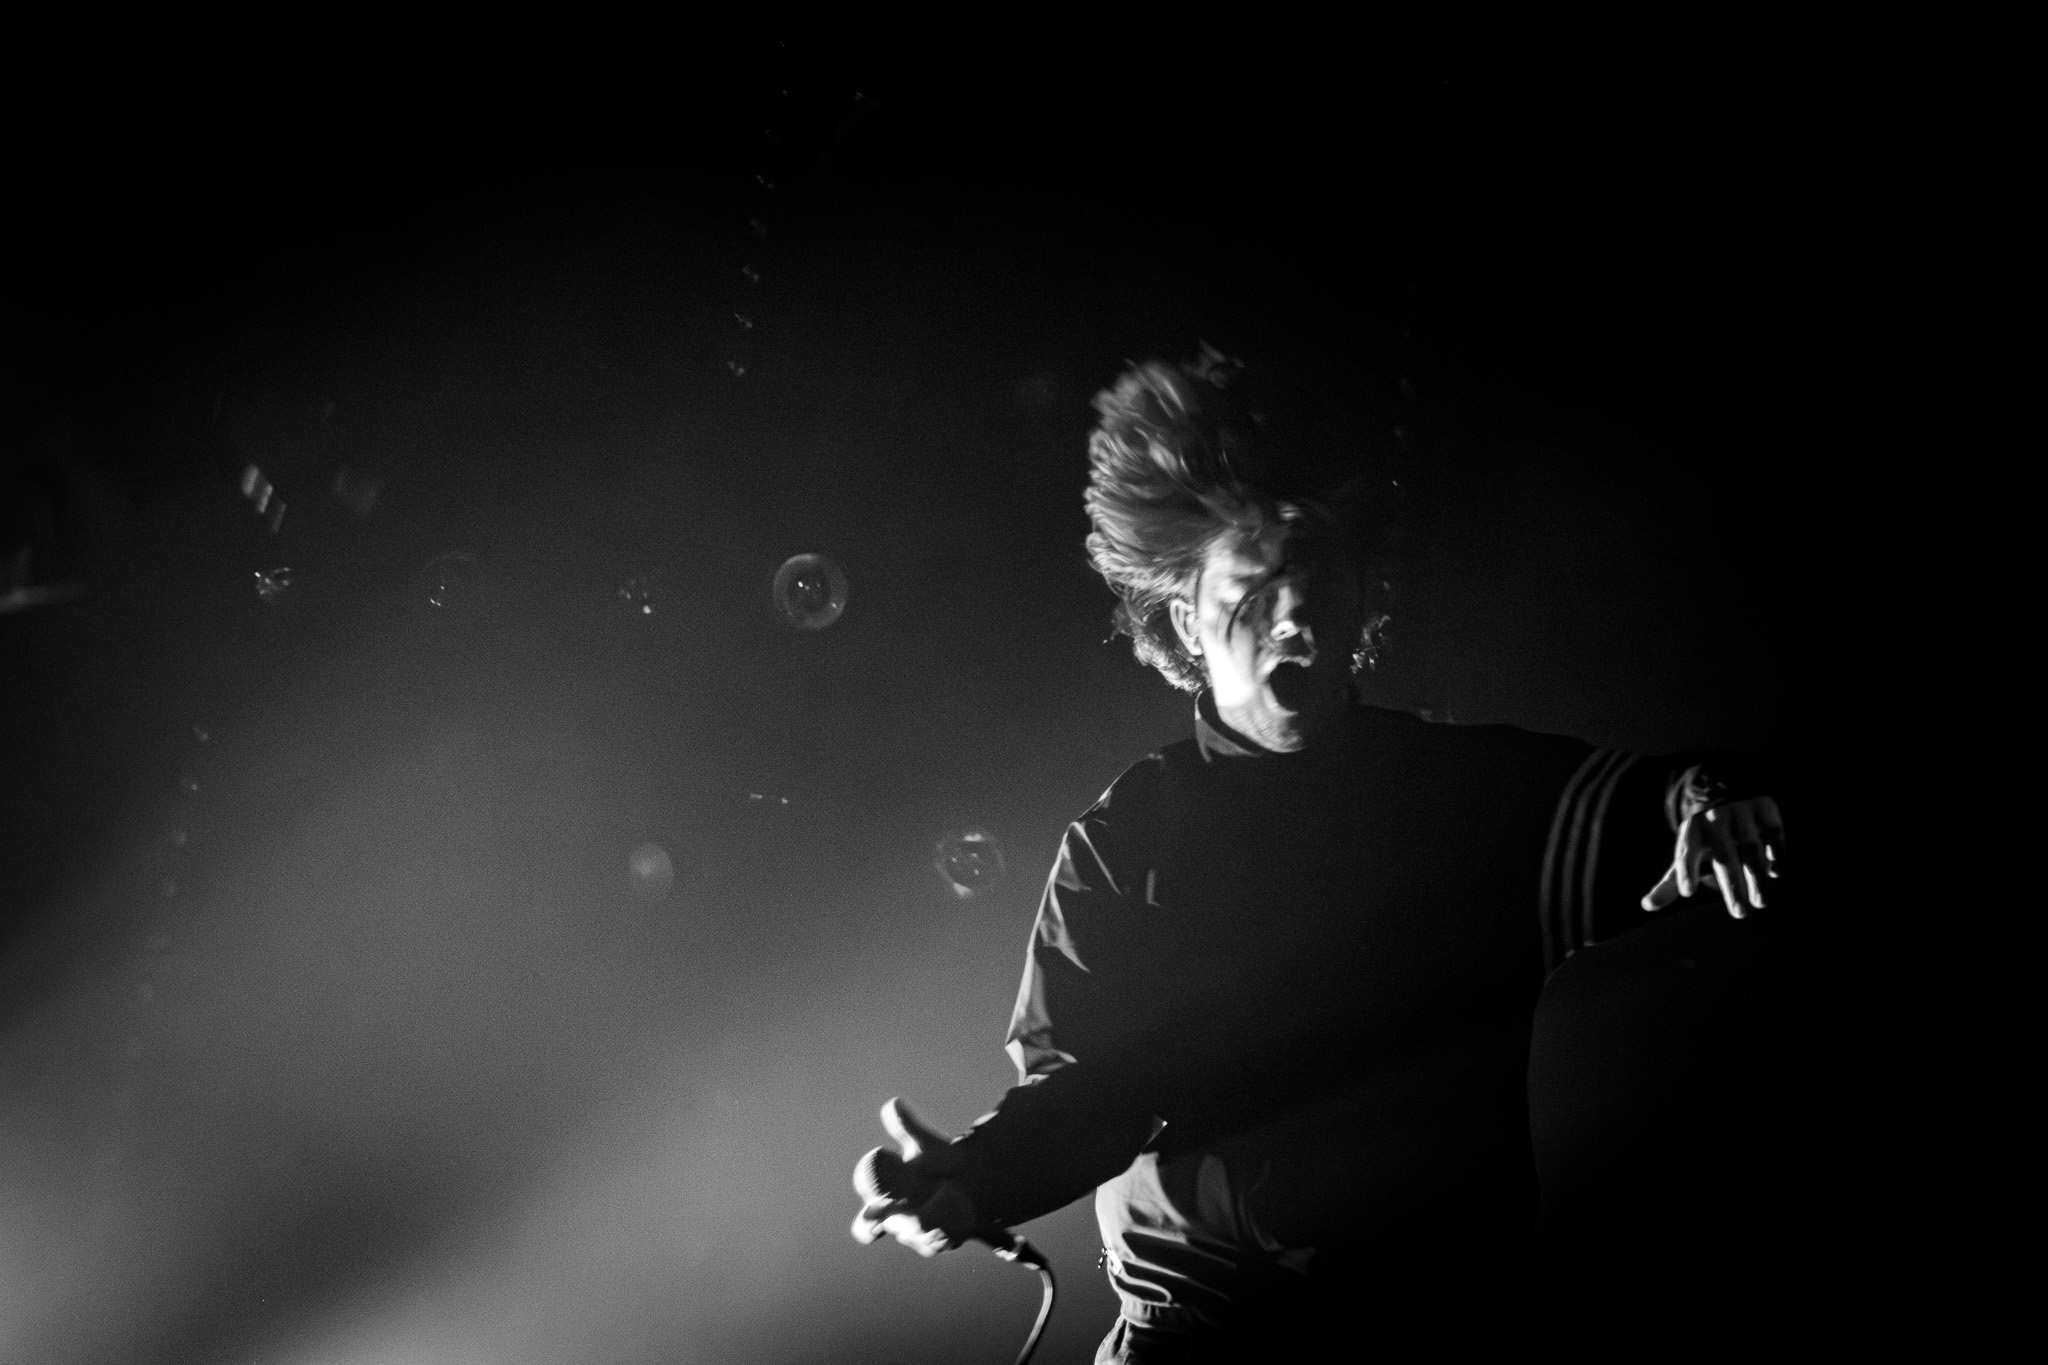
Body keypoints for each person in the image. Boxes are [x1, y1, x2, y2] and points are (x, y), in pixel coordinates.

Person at [850, 350, 1788, 1361]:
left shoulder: (1467, 796)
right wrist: (973, 1181)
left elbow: (1666, 795)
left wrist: (1712, 797)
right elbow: (1086, 1088)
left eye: (1321, 580)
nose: (1295, 612)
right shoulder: (1126, 840)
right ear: (1184, 623)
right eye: (1256, 583)